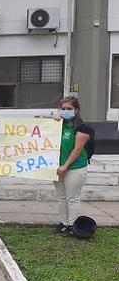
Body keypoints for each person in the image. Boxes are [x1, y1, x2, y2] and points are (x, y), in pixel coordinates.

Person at [54, 96, 90, 236]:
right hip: (57, 168)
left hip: (75, 168)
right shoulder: (59, 125)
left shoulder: (82, 127)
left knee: (72, 198)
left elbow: (78, 150)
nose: (66, 111)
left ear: (76, 110)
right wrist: (53, 123)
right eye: (63, 109)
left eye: (69, 109)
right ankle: (64, 224)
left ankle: (74, 226)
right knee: (61, 197)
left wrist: (65, 166)